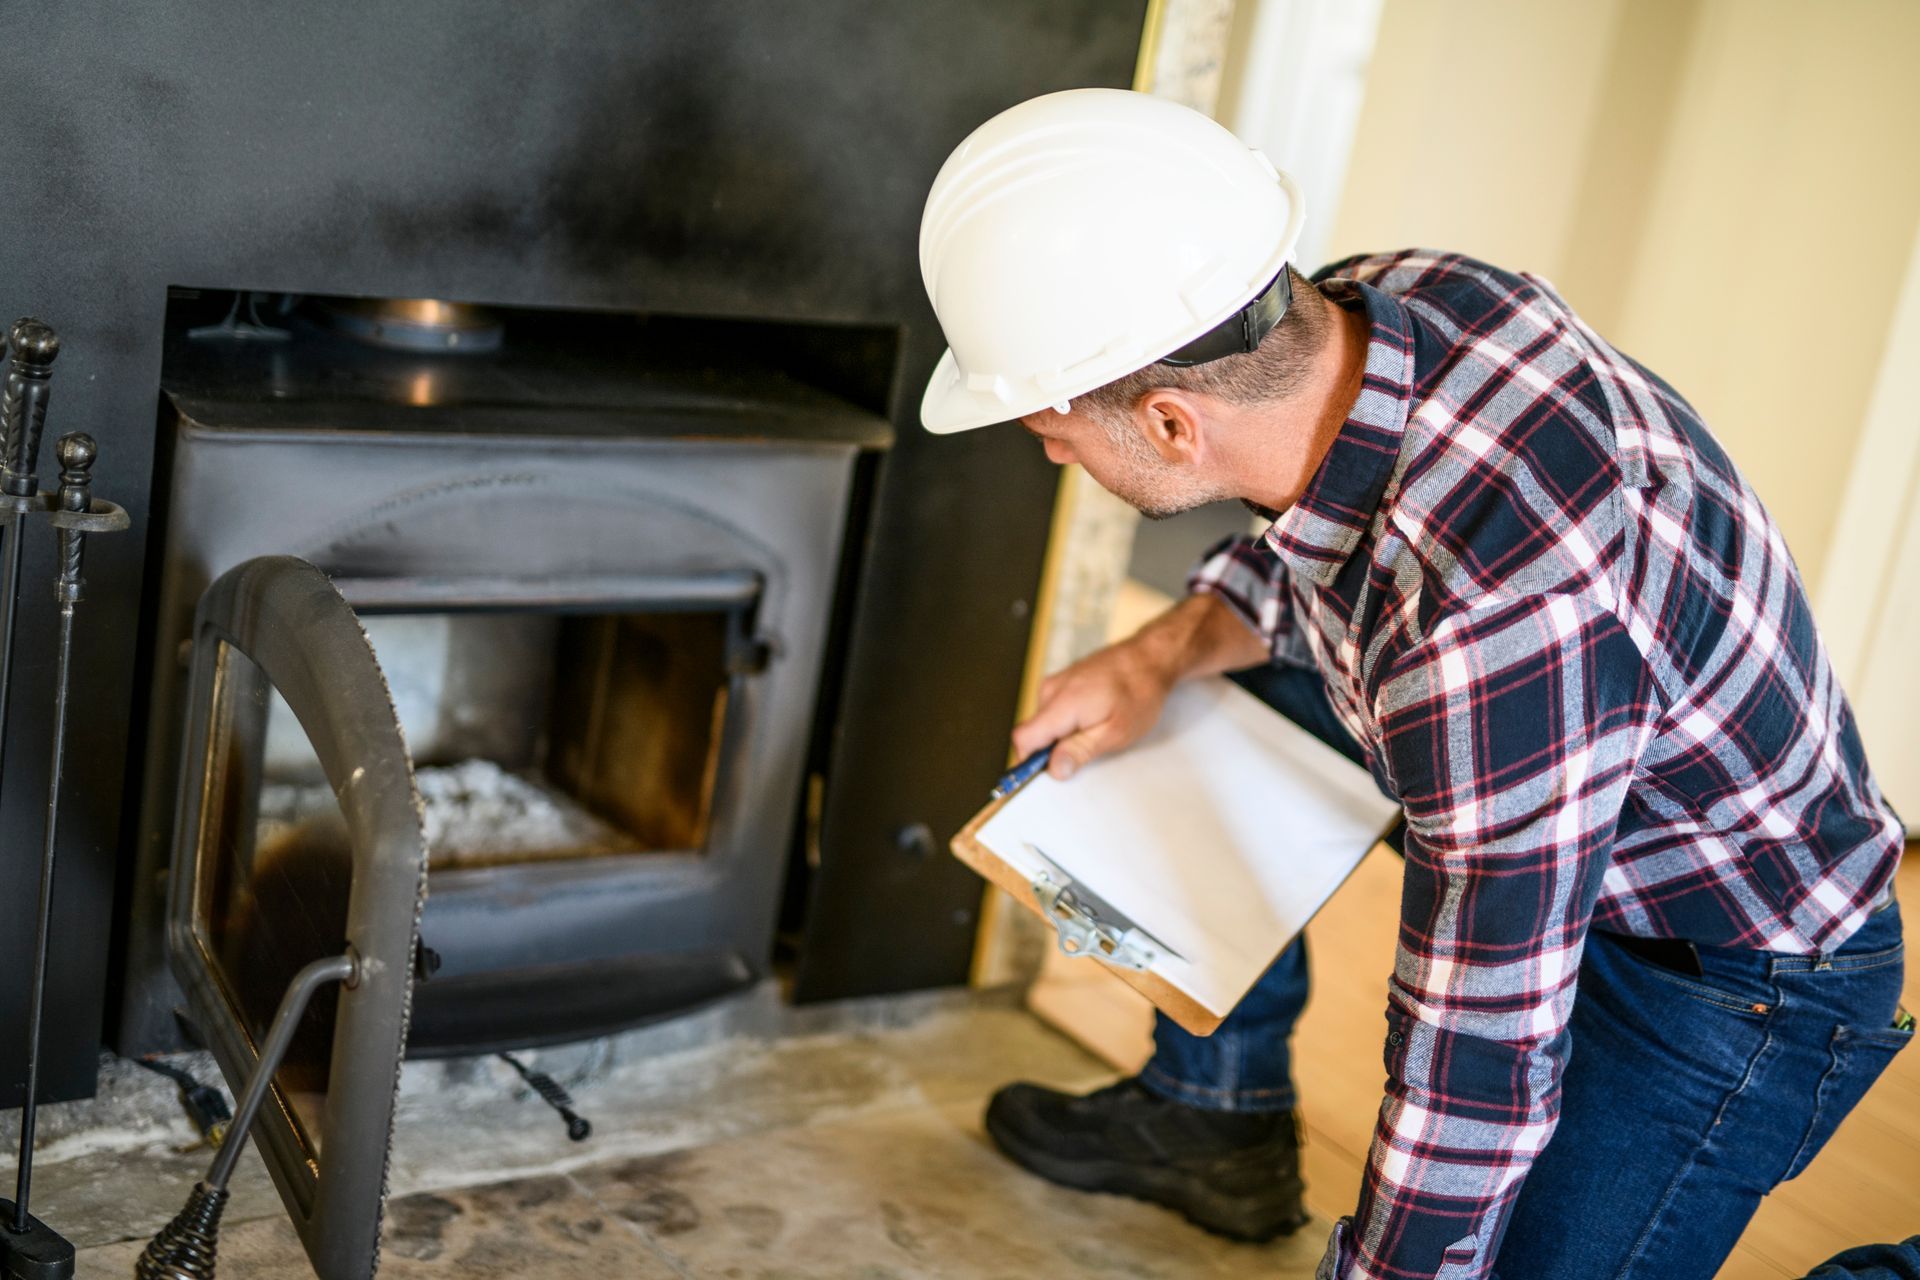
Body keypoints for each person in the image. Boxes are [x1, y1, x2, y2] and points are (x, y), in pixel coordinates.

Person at [917, 89, 1910, 1280]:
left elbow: (1476, 1053)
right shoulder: (1389, 299)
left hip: (1737, 972)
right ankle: (1213, 1108)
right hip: (1563, 805)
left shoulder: (1496, 615)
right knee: (1207, 688)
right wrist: (1157, 651)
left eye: (1049, 428)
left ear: (1175, 423)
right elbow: (1329, 563)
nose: (1047, 447)